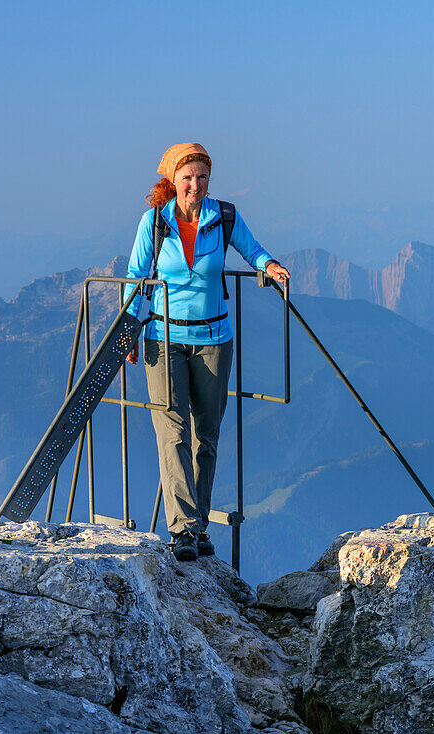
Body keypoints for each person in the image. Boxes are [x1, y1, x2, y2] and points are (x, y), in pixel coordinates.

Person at [123, 143, 290, 562]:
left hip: (215, 340)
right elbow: (136, 275)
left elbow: (252, 249)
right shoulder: (154, 223)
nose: (194, 185)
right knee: (172, 430)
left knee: (206, 437)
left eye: (201, 177)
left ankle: (196, 526)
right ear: (172, 182)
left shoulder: (224, 217)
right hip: (163, 337)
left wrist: (269, 266)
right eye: (187, 178)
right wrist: (127, 329)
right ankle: (183, 529)